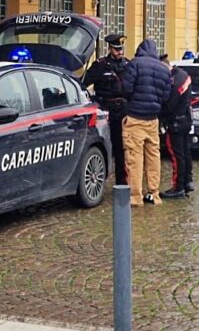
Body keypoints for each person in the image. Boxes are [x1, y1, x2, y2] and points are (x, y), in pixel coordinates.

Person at [120, 39, 172, 207]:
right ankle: (154, 194)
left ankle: (135, 197)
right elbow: (165, 97)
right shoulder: (164, 70)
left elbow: (125, 88)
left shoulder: (135, 64)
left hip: (135, 118)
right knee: (153, 156)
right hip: (153, 119)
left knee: (134, 158)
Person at [83, 33, 129, 185]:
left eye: (121, 49)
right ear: (110, 48)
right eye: (116, 49)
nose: (119, 52)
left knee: (121, 149)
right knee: (102, 145)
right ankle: (98, 179)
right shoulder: (100, 65)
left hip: (123, 112)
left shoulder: (128, 65)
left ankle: (121, 182)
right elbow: (83, 84)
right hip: (105, 112)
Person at [158, 55, 193, 199]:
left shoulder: (174, 82)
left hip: (176, 123)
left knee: (176, 155)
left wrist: (159, 113)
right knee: (185, 152)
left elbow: (170, 105)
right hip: (185, 120)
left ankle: (178, 186)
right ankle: (188, 181)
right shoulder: (183, 75)